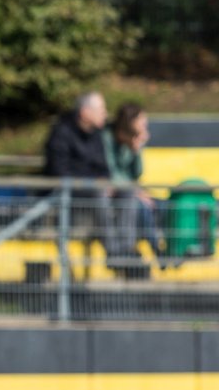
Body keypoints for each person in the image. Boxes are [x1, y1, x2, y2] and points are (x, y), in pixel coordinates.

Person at [42, 91, 129, 265]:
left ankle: (127, 251)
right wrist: (93, 182)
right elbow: (59, 171)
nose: (105, 114)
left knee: (129, 194)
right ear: (85, 112)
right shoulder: (61, 133)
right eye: (101, 109)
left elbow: (104, 168)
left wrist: (106, 181)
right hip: (68, 197)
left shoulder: (96, 134)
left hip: (94, 192)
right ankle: (113, 253)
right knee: (100, 192)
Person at [103, 102, 164, 262]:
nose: (145, 127)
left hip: (131, 191)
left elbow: (137, 174)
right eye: (142, 123)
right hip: (118, 195)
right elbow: (111, 173)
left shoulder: (132, 141)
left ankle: (163, 249)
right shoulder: (107, 138)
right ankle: (156, 249)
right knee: (142, 207)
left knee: (163, 205)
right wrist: (136, 191)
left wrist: (136, 150)